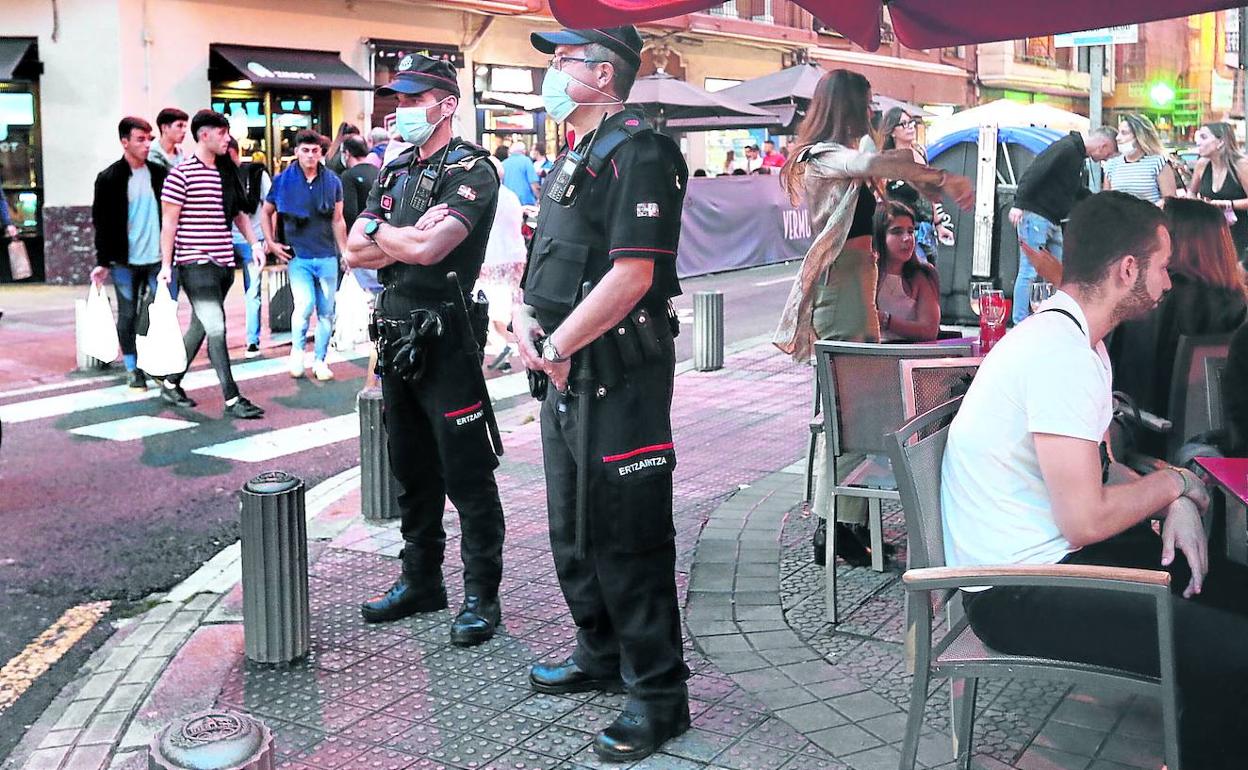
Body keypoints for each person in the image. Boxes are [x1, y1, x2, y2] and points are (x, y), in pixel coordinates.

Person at [943, 190, 1248, 770]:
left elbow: (1104, 470)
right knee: (1236, 657)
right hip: (1017, 594)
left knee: (1228, 583)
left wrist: (1172, 497)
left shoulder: (1074, 340)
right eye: (1162, 268)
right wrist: (1174, 488)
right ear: (1127, 270)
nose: (1167, 283)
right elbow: (1084, 518)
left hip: (1049, 563)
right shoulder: (1062, 354)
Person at [515, 24, 690, 762]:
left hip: (617, 375)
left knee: (628, 535)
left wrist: (557, 345)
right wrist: (526, 313)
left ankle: (658, 695)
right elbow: (555, 257)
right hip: (567, 372)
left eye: (561, 63)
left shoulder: (639, 152)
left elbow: (633, 275)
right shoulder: (577, 154)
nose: (551, 75)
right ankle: (599, 652)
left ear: (605, 74)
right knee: (574, 528)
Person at [775, 68, 973, 568]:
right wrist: (940, 177)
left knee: (857, 409)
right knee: (849, 410)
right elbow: (868, 159)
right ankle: (835, 527)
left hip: (854, 290)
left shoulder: (847, 159)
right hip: (839, 293)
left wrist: (923, 178)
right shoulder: (822, 157)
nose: (870, 113)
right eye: (864, 104)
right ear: (845, 105)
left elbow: (873, 160)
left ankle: (846, 526)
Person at [344, 53, 506, 648]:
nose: (400, 112)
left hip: (447, 338)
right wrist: (399, 239)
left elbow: (435, 249)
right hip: (395, 334)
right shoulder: (396, 169)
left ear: (447, 104)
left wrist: (388, 237)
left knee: (466, 473)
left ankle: (480, 597)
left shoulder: (473, 170)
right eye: (398, 101)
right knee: (410, 468)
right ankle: (421, 581)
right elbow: (353, 251)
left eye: (413, 100)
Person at [156, 109, 264, 419]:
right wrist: (166, 265)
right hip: (194, 261)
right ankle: (232, 399)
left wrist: (255, 244)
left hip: (223, 262)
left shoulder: (226, 171)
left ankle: (171, 381)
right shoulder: (180, 175)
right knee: (216, 326)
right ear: (204, 135)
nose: (227, 138)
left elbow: (239, 213)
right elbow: (169, 224)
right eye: (222, 133)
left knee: (201, 326)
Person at [1107, 197, 1247, 429]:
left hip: (1143, 434)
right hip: (1219, 441)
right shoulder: (1237, 303)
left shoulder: (1150, 300)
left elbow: (1120, 382)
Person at [89, 116, 170, 389]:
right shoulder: (109, 178)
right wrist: (103, 262)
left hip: (157, 259)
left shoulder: (159, 173)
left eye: (149, 139)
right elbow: (100, 223)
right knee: (127, 314)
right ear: (125, 142)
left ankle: (151, 361)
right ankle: (133, 367)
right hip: (124, 260)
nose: (147, 144)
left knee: (155, 312)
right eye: (140, 139)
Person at [1008, 126, 1119, 323]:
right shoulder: (1067, 149)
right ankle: (1019, 321)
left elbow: (1073, 189)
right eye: (1107, 154)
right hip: (1036, 214)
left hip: (1050, 218)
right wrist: (1019, 203)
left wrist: (1097, 202)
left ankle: (1054, 318)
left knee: (1059, 272)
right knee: (1029, 271)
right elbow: (1035, 171)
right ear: (1103, 146)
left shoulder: (1075, 155)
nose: (1105, 159)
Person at [262, 129, 346, 381]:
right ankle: (297, 352)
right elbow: (266, 212)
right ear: (296, 151)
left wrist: (345, 252)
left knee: (326, 312)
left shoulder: (332, 181)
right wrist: (270, 243)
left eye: (315, 151)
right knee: (304, 305)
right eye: (305, 150)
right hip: (298, 255)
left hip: (327, 255)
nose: (310, 155)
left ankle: (320, 359)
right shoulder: (282, 181)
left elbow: (338, 219)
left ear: (321, 153)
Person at [880, 107, 954, 262]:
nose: (910, 127)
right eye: (904, 124)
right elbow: (879, 196)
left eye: (911, 122)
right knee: (916, 278)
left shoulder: (920, 152)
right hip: (904, 232)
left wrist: (939, 224)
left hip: (926, 230)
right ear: (892, 131)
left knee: (928, 278)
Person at [476, 156, 526, 368]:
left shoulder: (484, 197)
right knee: (512, 307)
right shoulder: (511, 196)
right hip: (515, 257)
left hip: (492, 260)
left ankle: (504, 345)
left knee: (490, 309)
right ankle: (511, 345)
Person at [226, 137, 270, 358]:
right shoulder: (256, 173)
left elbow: (270, 206)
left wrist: (268, 240)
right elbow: (270, 206)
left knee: (250, 292)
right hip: (249, 240)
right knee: (252, 292)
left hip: (245, 240)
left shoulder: (250, 173)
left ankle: (251, 340)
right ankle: (251, 341)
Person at [873, 202, 940, 342]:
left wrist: (886, 320)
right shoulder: (867, 274)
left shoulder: (922, 275)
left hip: (911, 358)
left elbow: (929, 330)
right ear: (879, 236)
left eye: (911, 231)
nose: (907, 238)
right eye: (897, 232)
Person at [1188, 121, 1248, 263]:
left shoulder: (1241, 165)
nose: (1198, 142)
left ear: (1221, 142)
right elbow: (1191, 193)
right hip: (1210, 233)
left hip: (1239, 235)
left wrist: (1228, 204)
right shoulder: (1202, 165)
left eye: (1203, 137)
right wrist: (1197, 205)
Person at [1103, 114, 1176, 204]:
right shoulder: (1111, 165)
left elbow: (1170, 201)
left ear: (1139, 136)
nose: (1118, 138)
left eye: (1124, 133)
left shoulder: (1159, 163)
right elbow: (1106, 201)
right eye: (1118, 133)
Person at [340, 136, 379, 230]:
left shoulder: (348, 176)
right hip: (377, 228)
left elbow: (349, 212)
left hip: (358, 231)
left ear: (347, 153)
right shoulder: (378, 172)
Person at [502, 141, 540, 206]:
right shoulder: (526, 161)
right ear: (523, 151)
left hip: (508, 202)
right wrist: (539, 198)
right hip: (525, 202)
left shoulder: (503, 164)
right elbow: (533, 184)